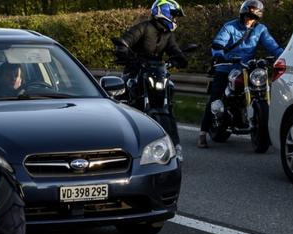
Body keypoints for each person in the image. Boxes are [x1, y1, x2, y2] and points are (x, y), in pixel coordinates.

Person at [198, 0, 283, 148]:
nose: (250, 19)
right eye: (247, 16)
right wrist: (219, 54)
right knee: (215, 97)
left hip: (247, 68)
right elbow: (218, 44)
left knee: (261, 89)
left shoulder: (261, 29)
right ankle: (202, 134)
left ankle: (261, 127)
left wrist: (284, 57)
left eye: (253, 17)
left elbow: (273, 46)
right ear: (242, 14)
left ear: (258, 18)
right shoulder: (230, 27)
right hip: (226, 67)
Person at [114, 0, 189, 149]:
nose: (174, 19)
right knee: (126, 92)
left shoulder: (167, 34)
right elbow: (125, 41)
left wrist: (180, 58)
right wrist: (123, 50)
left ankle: (175, 145)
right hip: (135, 69)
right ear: (163, 12)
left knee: (169, 94)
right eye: (173, 15)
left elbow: (174, 50)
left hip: (156, 71)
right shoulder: (144, 27)